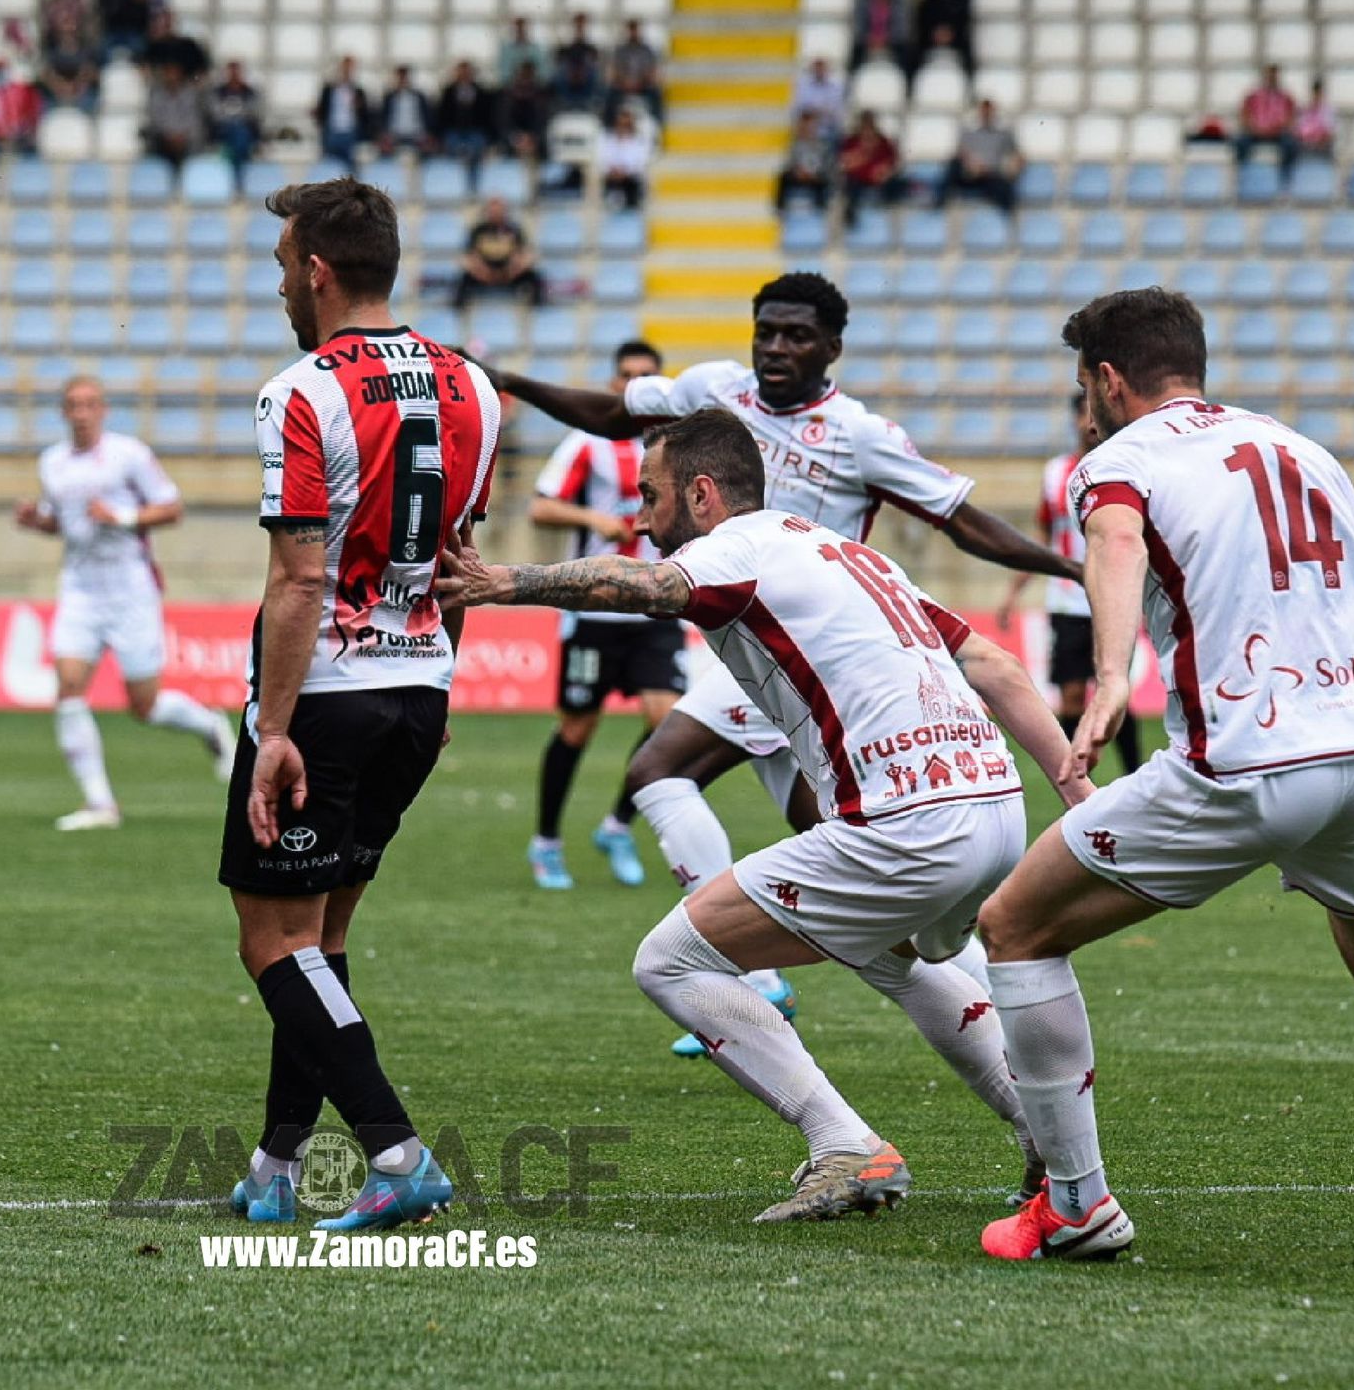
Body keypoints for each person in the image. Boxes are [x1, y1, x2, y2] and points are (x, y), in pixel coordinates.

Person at [437, 408, 1082, 1222]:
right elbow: (990, 659)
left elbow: (651, 587)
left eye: (651, 495)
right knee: (892, 954)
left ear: (702, 494)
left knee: (670, 962)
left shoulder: (729, 551)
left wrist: (508, 584)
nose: (641, 517)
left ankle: (843, 1144)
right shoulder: (847, 552)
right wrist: (1074, 786)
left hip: (909, 824)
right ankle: (1035, 1127)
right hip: (993, 811)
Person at [465, 274, 1083, 1061]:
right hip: (759, 644)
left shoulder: (860, 434)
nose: (776, 349)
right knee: (852, 862)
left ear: (832, 347)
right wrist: (512, 381)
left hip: (813, 641)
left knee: (660, 769)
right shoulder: (714, 392)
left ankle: (760, 982)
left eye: (796, 335)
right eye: (766, 331)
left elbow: (960, 519)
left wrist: (1067, 569)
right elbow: (613, 415)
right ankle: (989, 1024)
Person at [976, 288, 1354, 1261]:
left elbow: (1115, 540)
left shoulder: (1117, 460)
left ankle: (1075, 1205)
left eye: (1085, 392)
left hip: (1241, 770)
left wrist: (1111, 671)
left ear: (1110, 382)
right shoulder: (1299, 447)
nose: (1082, 414)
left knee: (1013, 927)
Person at [220, 178, 501, 1230]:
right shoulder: (473, 386)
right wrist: (433, 678)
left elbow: (295, 579)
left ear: (317, 271)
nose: (280, 283)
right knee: (320, 938)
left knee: (270, 940)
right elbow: (459, 567)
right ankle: (274, 1167)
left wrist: (274, 731)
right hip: (418, 684)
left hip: (326, 696)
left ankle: (397, 1155)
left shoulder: (299, 390)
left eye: (283, 264)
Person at [18, 375, 234, 831]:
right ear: (63, 412)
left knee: (145, 706)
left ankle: (210, 726)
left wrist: (123, 517)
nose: (81, 412)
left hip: (131, 590)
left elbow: (172, 507)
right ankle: (100, 804)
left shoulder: (129, 455)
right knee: (69, 688)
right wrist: (37, 521)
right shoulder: (52, 463)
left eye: (89, 404)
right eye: (73, 404)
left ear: (103, 409)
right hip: (80, 589)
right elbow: (64, 524)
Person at [527, 341, 680, 891]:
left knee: (668, 722)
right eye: (625, 376)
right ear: (614, 383)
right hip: (594, 610)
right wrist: (595, 516)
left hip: (658, 609)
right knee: (578, 727)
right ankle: (546, 841)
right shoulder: (588, 442)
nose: (633, 385)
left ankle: (618, 824)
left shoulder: (679, 449)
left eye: (646, 376)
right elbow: (540, 506)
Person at [996, 393, 1142, 779]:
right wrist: (1014, 592)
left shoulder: (1126, 467)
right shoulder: (1055, 473)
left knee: (1117, 694)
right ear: (1075, 420)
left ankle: (1133, 777)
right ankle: (1078, 786)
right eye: (1084, 415)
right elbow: (1043, 537)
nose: (1089, 423)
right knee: (1073, 696)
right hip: (1066, 601)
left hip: (1113, 601)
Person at [454, 196, 544, 309]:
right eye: (493, 210)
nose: (496, 213)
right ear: (487, 212)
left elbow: (526, 255)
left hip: (509, 274)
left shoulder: (514, 230)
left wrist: (512, 271)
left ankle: (538, 310)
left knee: (532, 276)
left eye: (499, 210)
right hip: (483, 274)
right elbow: (469, 256)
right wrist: (483, 273)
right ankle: (457, 312)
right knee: (464, 278)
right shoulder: (478, 230)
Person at [939, 98, 1021, 216]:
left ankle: (1007, 219)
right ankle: (939, 204)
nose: (986, 114)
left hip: (991, 175)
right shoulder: (968, 131)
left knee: (1004, 187)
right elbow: (960, 152)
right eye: (984, 111)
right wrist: (971, 164)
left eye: (989, 111)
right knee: (953, 166)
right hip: (970, 173)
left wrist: (1013, 166)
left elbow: (1016, 154)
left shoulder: (1003, 133)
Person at [838, 109, 905, 225]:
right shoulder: (851, 141)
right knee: (850, 185)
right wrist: (862, 156)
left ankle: (891, 220)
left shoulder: (884, 142)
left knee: (898, 183)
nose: (867, 128)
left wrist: (886, 172)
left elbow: (894, 162)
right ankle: (851, 220)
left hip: (880, 180)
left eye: (870, 124)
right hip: (858, 179)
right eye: (865, 124)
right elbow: (845, 163)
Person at [1236, 63, 1298, 176]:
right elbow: (1244, 115)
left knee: (1291, 145)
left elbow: (1291, 118)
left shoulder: (1286, 97)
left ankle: (1285, 178)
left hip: (1277, 133)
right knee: (1240, 142)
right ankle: (1242, 175)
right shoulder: (1253, 96)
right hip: (1256, 133)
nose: (1271, 78)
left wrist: (1277, 128)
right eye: (1269, 75)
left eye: (1273, 75)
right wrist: (1254, 128)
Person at [143, 60, 206, 168]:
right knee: (154, 140)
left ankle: (189, 174)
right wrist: (169, 135)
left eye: (174, 73)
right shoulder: (156, 94)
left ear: (180, 75)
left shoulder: (190, 93)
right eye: (168, 73)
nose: (171, 77)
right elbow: (156, 118)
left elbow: (193, 118)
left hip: (185, 138)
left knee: (196, 139)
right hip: (164, 137)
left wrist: (181, 135)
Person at [851, 0, 913, 78]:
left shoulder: (897, 1)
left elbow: (902, 26)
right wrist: (868, 38)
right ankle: (853, 79)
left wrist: (887, 38)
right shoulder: (864, 1)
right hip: (868, 41)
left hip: (892, 40)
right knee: (855, 54)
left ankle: (906, 82)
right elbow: (859, 24)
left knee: (907, 55)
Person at [204, 60, 262, 175]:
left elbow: (254, 114)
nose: (234, 75)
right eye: (231, 72)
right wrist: (235, 118)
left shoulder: (251, 93)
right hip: (223, 130)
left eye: (237, 72)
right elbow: (215, 115)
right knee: (239, 134)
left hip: (244, 130)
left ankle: (233, 172)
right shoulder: (217, 92)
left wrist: (236, 118)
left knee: (240, 134)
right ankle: (239, 173)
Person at [312, 56, 370, 170]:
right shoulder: (328, 89)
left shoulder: (358, 90)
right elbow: (321, 109)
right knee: (330, 163)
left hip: (350, 132)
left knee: (350, 165)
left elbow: (366, 114)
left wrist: (358, 106)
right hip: (332, 131)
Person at [774, 110, 834, 214]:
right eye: (805, 125)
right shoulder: (795, 144)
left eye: (811, 126)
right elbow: (790, 161)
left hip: (815, 176)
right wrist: (799, 171)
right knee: (783, 177)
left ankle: (821, 207)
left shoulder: (821, 145)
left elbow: (823, 163)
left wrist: (812, 172)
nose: (808, 129)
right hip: (798, 175)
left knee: (826, 180)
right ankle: (780, 207)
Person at [435, 60, 493, 165]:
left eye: (467, 72)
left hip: (475, 130)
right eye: (462, 72)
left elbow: (487, 116)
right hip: (454, 130)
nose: (464, 75)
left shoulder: (481, 92)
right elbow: (442, 116)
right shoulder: (448, 91)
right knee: (453, 146)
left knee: (477, 145)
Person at [606, 19, 663, 124]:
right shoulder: (621, 51)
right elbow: (614, 70)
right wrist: (624, 82)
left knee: (656, 93)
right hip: (623, 85)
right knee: (610, 94)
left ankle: (657, 123)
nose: (633, 33)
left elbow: (652, 71)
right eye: (631, 30)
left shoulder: (647, 50)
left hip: (643, 86)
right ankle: (608, 125)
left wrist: (640, 82)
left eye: (635, 29)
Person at [496, 61, 552, 164]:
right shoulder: (506, 96)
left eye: (528, 76)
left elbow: (544, 120)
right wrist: (516, 137)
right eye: (522, 75)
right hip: (513, 138)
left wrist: (533, 137)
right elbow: (502, 121)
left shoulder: (541, 96)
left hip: (535, 139)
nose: (525, 79)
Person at [598, 106, 653, 210]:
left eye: (627, 125)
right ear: (615, 124)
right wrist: (612, 171)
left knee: (634, 186)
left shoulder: (639, 142)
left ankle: (631, 206)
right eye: (621, 124)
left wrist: (625, 172)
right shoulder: (605, 140)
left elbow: (641, 164)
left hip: (630, 181)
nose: (623, 128)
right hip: (610, 178)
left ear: (632, 126)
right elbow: (600, 159)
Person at [552, 12, 603, 113]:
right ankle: (565, 104)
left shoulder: (591, 45)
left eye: (582, 24)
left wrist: (582, 72)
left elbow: (594, 60)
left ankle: (588, 104)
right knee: (560, 72)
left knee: (594, 73)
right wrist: (572, 72)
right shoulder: (566, 43)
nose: (580, 27)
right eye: (578, 24)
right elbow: (559, 59)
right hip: (568, 76)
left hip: (585, 76)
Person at [377, 64, 432, 158]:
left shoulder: (418, 96)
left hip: (416, 134)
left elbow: (427, 116)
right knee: (384, 153)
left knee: (427, 152)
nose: (402, 80)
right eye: (400, 77)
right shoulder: (390, 96)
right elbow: (383, 117)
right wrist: (384, 134)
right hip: (394, 134)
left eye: (404, 77)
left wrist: (427, 134)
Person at [789, 58, 845, 142]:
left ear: (827, 69)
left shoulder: (836, 87)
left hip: (828, 131)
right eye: (817, 67)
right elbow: (799, 107)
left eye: (822, 67)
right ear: (813, 68)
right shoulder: (802, 85)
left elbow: (835, 111)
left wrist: (814, 110)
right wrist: (816, 111)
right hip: (805, 129)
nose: (819, 70)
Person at [497, 16, 548, 85]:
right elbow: (504, 73)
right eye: (518, 29)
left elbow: (542, 71)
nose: (521, 31)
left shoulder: (536, 49)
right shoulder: (506, 50)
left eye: (523, 28)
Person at [1295, 76, 1336, 158]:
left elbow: (1329, 130)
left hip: (1322, 143)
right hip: (1305, 143)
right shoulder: (1305, 108)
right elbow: (1299, 129)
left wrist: (1319, 139)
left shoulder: (1328, 109)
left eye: (1318, 92)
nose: (1316, 95)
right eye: (1315, 92)